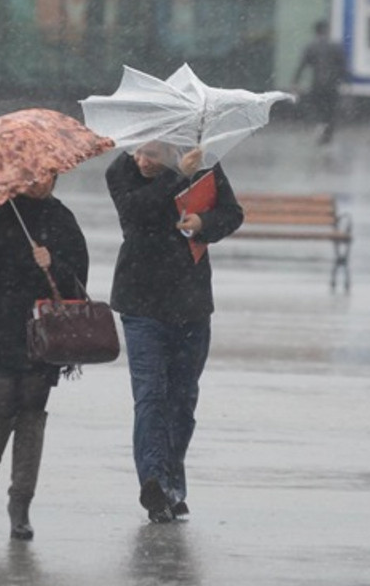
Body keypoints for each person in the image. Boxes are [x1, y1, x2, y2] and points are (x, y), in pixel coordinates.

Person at [105, 141, 243, 523]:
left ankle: (171, 484)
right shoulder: (120, 171)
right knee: (150, 395)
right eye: (138, 152)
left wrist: (205, 224)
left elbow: (232, 213)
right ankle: (151, 481)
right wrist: (177, 174)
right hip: (140, 302)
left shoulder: (204, 166)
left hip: (191, 302)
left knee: (182, 401)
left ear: (169, 146)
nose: (142, 160)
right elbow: (137, 211)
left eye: (152, 154)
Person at [0, 175, 89, 541]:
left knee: (31, 411)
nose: (40, 181)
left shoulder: (61, 218)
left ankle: (21, 504)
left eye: (48, 174)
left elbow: (78, 279)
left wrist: (52, 263)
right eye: (32, 174)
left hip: (41, 329)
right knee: (0, 405)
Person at [292, 19, 349, 146]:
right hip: (332, 85)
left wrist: (295, 81)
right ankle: (327, 133)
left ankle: (320, 125)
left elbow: (302, 65)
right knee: (331, 110)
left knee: (317, 108)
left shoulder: (311, 47)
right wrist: (345, 82)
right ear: (327, 31)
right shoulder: (336, 47)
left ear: (315, 32)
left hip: (317, 84)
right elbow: (343, 67)